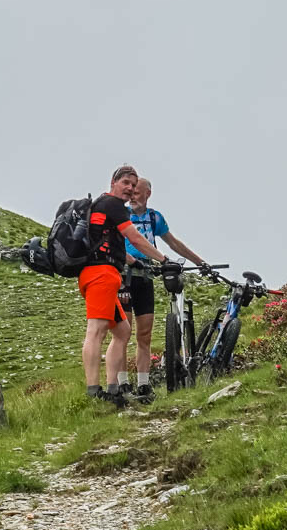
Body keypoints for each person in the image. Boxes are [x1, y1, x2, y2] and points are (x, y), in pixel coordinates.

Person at [79, 165, 169, 408]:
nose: (130, 188)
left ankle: (114, 388)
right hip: (100, 274)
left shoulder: (103, 206)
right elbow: (135, 238)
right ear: (113, 182)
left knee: (122, 330)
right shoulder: (113, 205)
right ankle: (94, 392)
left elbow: (112, 244)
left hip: (106, 274)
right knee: (96, 330)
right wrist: (163, 260)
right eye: (125, 183)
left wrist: (134, 262)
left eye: (133, 185)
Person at [119, 176, 211, 402]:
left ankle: (143, 384)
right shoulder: (121, 215)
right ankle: (122, 384)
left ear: (147, 194)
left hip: (146, 277)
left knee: (144, 334)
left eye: (137, 193)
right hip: (123, 276)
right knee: (123, 333)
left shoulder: (154, 218)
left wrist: (200, 262)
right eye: (130, 193)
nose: (132, 197)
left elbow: (174, 243)